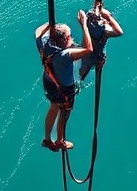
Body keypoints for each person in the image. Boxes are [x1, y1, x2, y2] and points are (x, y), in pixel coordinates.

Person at [36, 11, 94, 150]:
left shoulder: (44, 45)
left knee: (53, 106)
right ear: (64, 40)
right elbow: (88, 49)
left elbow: (38, 32)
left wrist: (50, 26)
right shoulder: (65, 55)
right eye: (69, 36)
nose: (71, 38)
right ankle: (60, 141)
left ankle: (47, 139)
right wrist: (84, 25)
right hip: (64, 89)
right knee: (64, 112)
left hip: (50, 83)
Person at [78, 3, 124, 81]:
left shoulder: (87, 24)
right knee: (93, 65)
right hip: (97, 55)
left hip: (87, 54)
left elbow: (82, 19)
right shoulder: (105, 31)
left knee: (82, 72)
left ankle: (80, 81)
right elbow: (119, 32)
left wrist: (83, 22)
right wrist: (108, 17)